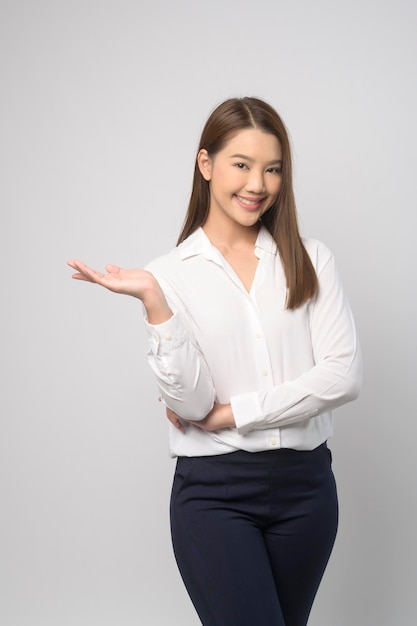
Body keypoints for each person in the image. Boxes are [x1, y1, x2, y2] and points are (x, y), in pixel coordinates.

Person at [67, 97, 362, 626]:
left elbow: (342, 375)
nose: (257, 185)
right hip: (215, 495)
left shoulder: (311, 259)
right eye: (242, 165)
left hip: (308, 490)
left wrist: (234, 413)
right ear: (206, 165)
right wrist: (155, 304)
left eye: (272, 169)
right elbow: (192, 404)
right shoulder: (170, 275)